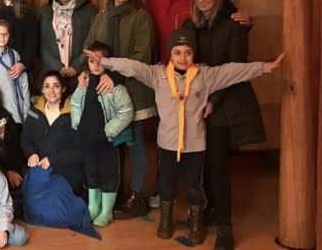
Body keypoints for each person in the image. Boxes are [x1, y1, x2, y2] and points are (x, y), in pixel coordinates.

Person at [84, 28, 283, 244]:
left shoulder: (205, 75)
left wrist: (265, 67)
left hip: (194, 145)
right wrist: (106, 61)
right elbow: (132, 66)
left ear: (194, 54)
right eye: (177, 52)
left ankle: (197, 224)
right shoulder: (157, 74)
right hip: (167, 144)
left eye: (188, 52)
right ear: (170, 54)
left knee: (194, 185)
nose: (183, 58)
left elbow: (234, 71)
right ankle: (165, 221)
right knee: (166, 184)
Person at [181, 0, 265, 250]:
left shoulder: (234, 25)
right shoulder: (190, 24)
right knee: (199, 163)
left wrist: (213, 101)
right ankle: (204, 212)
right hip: (196, 101)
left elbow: (234, 70)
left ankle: (225, 227)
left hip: (223, 102)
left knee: (217, 166)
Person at [83, 0, 156, 219]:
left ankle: (137, 196)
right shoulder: (102, 18)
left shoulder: (141, 17)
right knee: (112, 146)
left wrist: (113, 76)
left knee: (134, 143)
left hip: (133, 88)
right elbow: (89, 49)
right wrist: (86, 71)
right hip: (104, 90)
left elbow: (142, 55)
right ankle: (115, 192)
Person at [70, 41, 134, 228]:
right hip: (87, 139)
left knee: (109, 174)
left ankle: (106, 211)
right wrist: (77, 125)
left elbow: (126, 112)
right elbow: (75, 104)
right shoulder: (83, 83)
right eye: (92, 61)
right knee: (91, 172)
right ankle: (93, 206)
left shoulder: (114, 86)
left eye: (101, 61)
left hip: (108, 141)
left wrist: (108, 131)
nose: (96, 65)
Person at [21, 71, 83, 195]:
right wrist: (31, 153)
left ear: (63, 88)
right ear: (42, 90)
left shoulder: (74, 113)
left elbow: (80, 151)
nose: (51, 91)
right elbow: (25, 138)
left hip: (66, 169)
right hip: (39, 166)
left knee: (53, 196)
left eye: (56, 86)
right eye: (47, 86)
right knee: (32, 194)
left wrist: (52, 159)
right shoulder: (34, 112)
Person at [38, 0, 98, 87]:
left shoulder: (89, 10)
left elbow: (94, 40)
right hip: (53, 73)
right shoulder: (44, 11)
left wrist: (77, 66)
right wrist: (57, 67)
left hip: (82, 72)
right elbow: (41, 44)